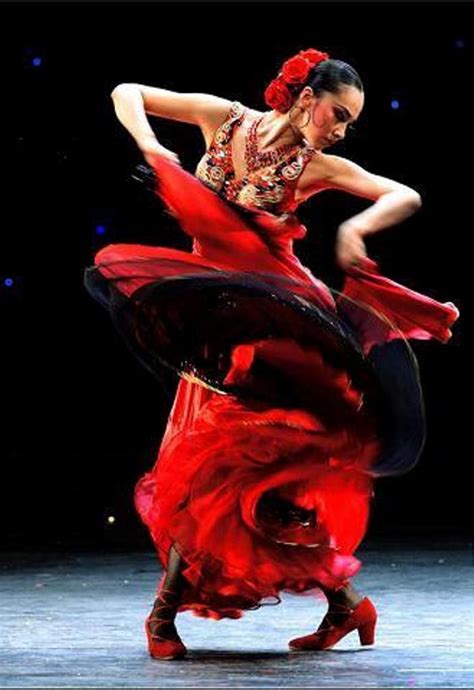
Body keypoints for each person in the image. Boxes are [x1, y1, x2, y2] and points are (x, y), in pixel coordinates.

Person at [84, 48, 458, 660]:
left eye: (349, 123)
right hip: (217, 321)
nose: (341, 129)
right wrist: (153, 148)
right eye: (338, 113)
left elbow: (405, 194)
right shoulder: (221, 118)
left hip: (281, 327)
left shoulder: (316, 167)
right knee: (239, 475)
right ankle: (346, 606)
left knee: (217, 465)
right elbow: (126, 89)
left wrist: (354, 230)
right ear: (307, 97)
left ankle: (163, 615)